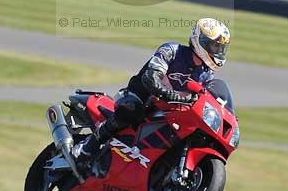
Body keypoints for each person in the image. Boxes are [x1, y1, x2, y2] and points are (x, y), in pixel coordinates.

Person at [73, 17, 231, 167]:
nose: (218, 50)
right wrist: (166, 93)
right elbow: (151, 76)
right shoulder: (172, 50)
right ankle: (87, 147)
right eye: (215, 46)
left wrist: (225, 111)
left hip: (169, 109)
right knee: (131, 110)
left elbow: (207, 97)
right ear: (200, 41)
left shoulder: (207, 73)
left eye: (221, 47)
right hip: (141, 96)